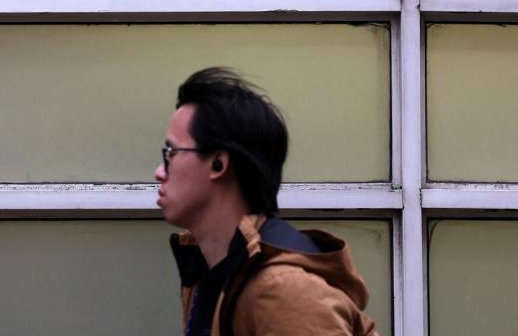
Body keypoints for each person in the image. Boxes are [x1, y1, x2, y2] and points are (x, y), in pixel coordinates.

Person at [155, 67, 380, 336]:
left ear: (218, 163)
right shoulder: (214, 273)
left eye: (171, 153)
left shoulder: (283, 292)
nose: (159, 171)